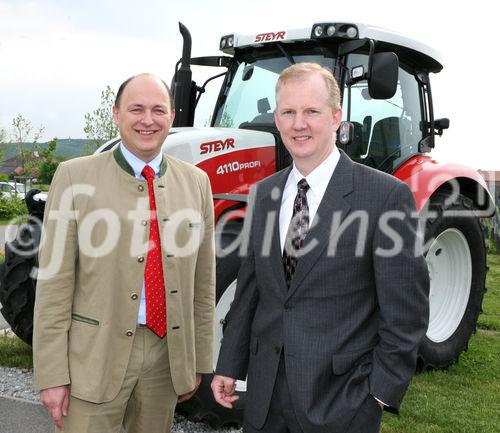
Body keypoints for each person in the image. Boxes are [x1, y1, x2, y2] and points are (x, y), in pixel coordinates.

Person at [211, 63, 429, 433]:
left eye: (311, 111)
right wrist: (230, 365)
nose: (299, 124)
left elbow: (405, 313)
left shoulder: (385, 197)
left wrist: (378, 395)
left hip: (341, 403)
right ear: (276, 120)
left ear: (335, 116)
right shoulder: (264, 195)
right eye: (288, 112)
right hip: (264, 403)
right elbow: (250, 291)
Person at [33, 73, 215, 433]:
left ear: (172, 116)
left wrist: (197, 360)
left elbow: (203, 284)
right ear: (116, 114)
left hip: (166, 358)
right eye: (136, 109)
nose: (148, 119)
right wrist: (52, 373)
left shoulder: (196, 182)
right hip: (92, 358)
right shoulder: (73, 178)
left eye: (158, 110)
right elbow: (53, 286)